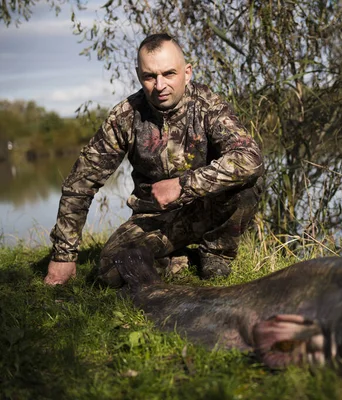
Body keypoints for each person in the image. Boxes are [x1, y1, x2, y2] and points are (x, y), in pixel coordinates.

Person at [43, 33, 264, 287]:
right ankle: (178, 259)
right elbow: (80, 183)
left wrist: (183, 184)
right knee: (112, 270)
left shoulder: (208, 106)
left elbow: (250, 158)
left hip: (207, 208)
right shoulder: (125, 117)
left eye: (169, 74)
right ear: (139, 75)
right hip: (154, 218)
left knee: (248, 183)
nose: (160, 85)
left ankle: (215, 253)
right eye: (150, 76)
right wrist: (64, 255)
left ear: (187, 72)